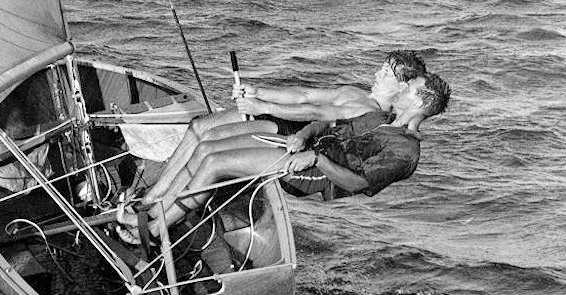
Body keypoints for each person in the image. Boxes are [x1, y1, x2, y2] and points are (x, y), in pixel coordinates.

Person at [118, 72, 451, 243]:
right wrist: (303, 135)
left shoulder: (405, 150)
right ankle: (156, 207)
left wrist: (316, 160)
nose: (402, 87)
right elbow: (327, 121)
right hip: (304, 151)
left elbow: (358, 183)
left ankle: (159, 227)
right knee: (207, 148)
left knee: (215, 163)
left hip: (317, 176)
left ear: (420, 103)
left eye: (410, 87)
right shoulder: (383, 119)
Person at [142, 50, 428, 204]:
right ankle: (157, 192)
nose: (377, 73)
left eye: (386, 73)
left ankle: (159, 201)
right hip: (285, 120)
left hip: (291, 134)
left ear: (401, 86)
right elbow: (303, 94)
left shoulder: (371, 112)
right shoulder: (358, 92)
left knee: (210, 141)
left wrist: (263, 107)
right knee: (198, 129)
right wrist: (258, 91)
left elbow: (315, 112)